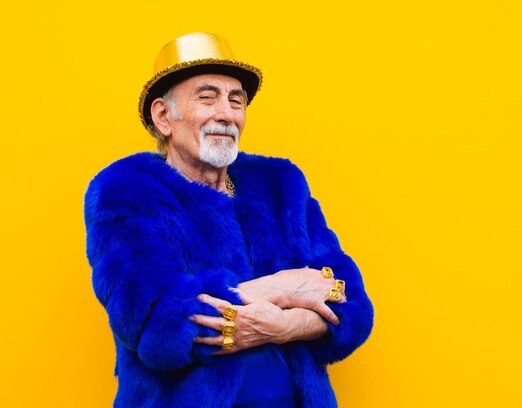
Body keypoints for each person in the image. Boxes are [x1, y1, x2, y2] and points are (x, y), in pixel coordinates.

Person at [84, 32, 374, 408]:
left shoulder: (281, 184)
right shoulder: (126, 192)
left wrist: (284, 328)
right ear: (163, 116)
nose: (226, 113)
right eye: (207, 97)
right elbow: (157, 327)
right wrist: (282, 289)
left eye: (236, 100)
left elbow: (351, 306)